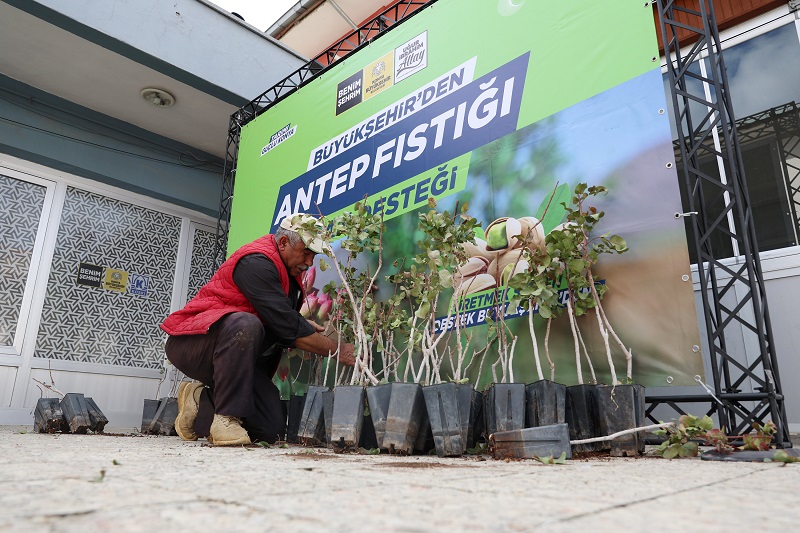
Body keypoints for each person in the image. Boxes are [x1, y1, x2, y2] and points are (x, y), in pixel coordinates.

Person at [161, 214, 355, 446]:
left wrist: (299, 324)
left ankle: (200, 399)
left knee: (270, 429)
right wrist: (339, 350)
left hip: (233, 356)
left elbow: (281, 319)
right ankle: (225, 419)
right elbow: (286, 326)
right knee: (246, 324)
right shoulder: (256, 262)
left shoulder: (289, 272)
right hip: (193, 343)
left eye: (313, 256)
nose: (309, 262)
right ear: (283, 242)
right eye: (306, 253)